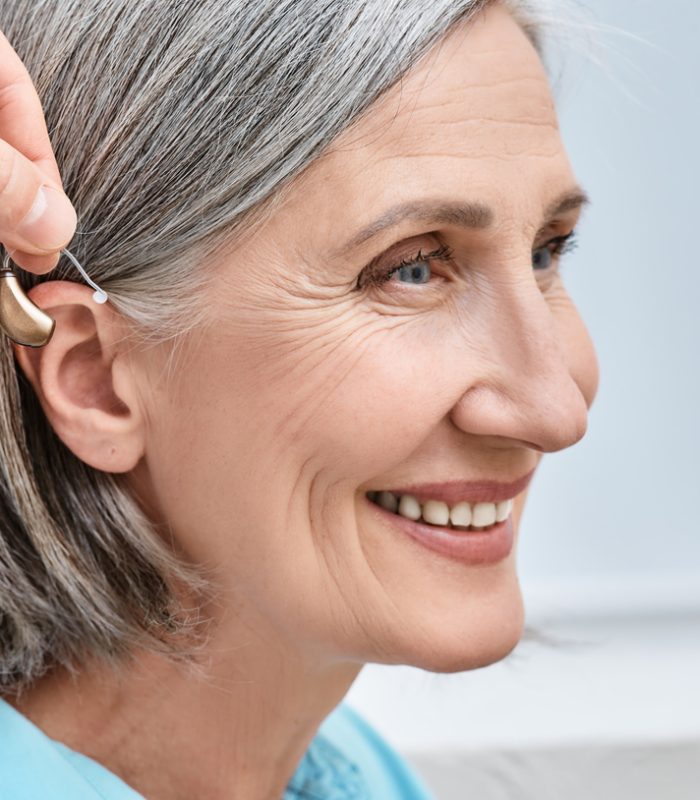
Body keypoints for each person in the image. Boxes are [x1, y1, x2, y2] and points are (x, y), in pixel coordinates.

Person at [0, 1, 599, 798]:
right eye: (412, 269)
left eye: (546, 252)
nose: (556, 408)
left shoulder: (360, 777)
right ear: (99, 384)